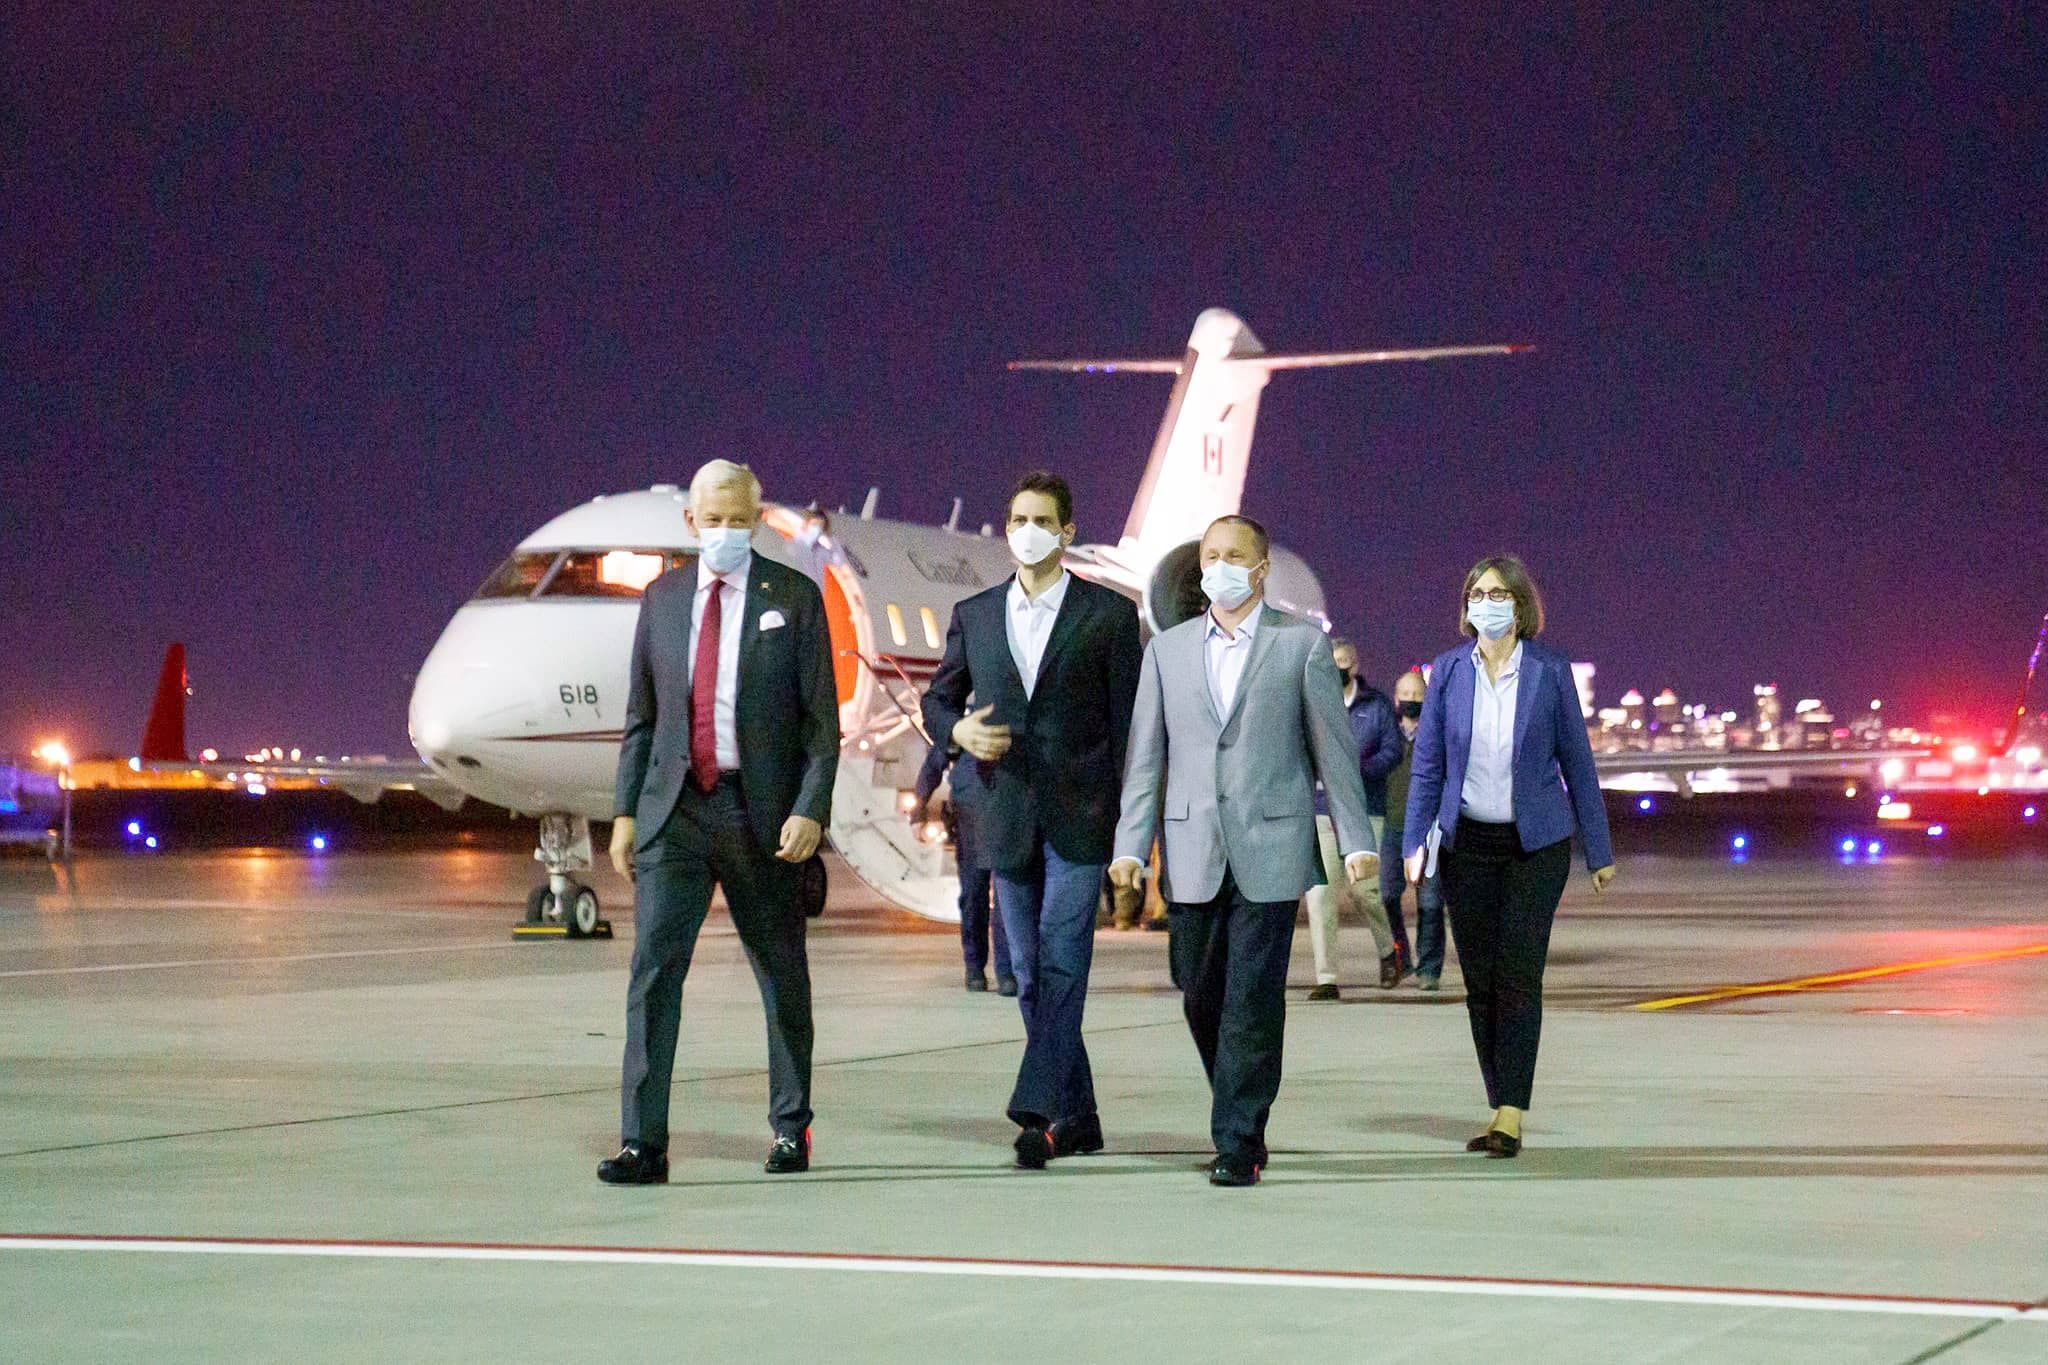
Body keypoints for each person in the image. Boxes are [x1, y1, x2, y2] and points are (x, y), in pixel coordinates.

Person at [1111, 514, 1377, 1187]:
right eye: (1209, 555)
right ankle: (1237, 1093)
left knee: (1253, 998)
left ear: (1261, 569)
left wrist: (1355, 841)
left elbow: (1334, 753)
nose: (1219, 566)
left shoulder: (1300, 648)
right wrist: (1131, 847)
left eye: (1233, 555)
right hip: (1192, 842)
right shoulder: (1166, 652)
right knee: (1198, 990)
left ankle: (1239, 1135)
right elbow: (1144, 760)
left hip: (1273, 842)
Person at [598, 459, 840, 1185]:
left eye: (741, 518)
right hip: (675, 812)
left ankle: (791, 1128)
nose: (728, 531)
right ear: (691, 523)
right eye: (715, 519)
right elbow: (642, 719)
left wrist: (809, 807)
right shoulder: (663, 600)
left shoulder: (793, 597)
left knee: (781, 974)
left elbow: (821, 727)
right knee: (653, 975)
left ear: (758, 518)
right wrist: (622, 813)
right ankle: (644, 1142)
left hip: (759, 812)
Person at [923, 471, 1142, 1169]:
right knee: (1023, 965)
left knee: (1061, 953)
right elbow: (938, 700)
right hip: (1005, 812)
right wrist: (957, 732)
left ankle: (1039, 1109)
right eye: (1017, 517)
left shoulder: (1107, 615)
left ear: (1067, 530)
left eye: (1041, 519)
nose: (1027, 530)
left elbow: (1130, 727)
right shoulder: (977, 613)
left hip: (1081, 816)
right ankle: (1080, 1115)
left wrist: (1132, 828)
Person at [1403, 556, 1616, 1159]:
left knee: (1519, 974)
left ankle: (1510, 1113)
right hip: (1466, 845)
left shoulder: (1549, 672)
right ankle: (1502, 1097)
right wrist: (1411, 843)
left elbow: (1578, 762)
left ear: (1521, 605)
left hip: (1535, 846)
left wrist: (1598, 849)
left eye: (1498, 593)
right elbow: (1428, 768)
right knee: (1480, 983)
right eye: (1476, 592)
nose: (1486, 602)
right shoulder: (1446, 672)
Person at [1303, 638, 1408, 1000]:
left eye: (1345, 662)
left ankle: (1387, 950)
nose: (1339, 669)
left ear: (1356, 666)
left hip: (1365, 809)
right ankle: (1326, 977)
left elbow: (1393, 750)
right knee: (1319, 894)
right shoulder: (1311, 702)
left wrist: (1359, 771)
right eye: (1333, 662)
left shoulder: (1375, 706)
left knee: (1365, 890)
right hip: (1321, 808)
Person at [912, 736, 1015, 995]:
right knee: (973, 895)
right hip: (971, 817)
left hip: (1008, 814)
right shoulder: (963, 722)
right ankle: (975, 967)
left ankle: (1007, 971)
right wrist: (919, 807)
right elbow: (936, 759)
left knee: (1008, 897)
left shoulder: (1011, 711)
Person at [1381, 668, 1447, 990]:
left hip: (1429, 830)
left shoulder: (1438, 734)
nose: (1411, 701)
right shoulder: (1386, 736)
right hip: (1392, 826)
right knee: (1386, 896)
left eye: (1417, 696)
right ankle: (1401, 957)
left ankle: (1430, 968)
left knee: (1431, 903)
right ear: (1396, 698)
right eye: (1405, 695)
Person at [790, 507, 845, 585]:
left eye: (820, 527)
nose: (817, 529)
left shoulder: (821, 550)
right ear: (806, 524)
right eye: (814, 525)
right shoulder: (796, 543)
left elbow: (838, 562)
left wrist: (832, 543)